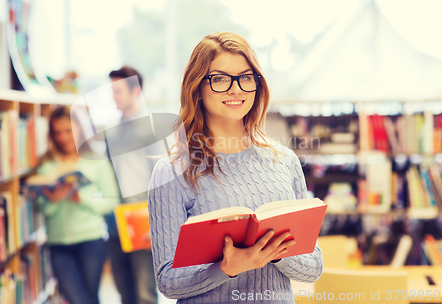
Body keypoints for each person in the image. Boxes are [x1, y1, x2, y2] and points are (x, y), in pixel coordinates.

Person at [148, 32, 323, 303]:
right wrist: (227, 268)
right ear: (197, 88)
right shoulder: (171, 171)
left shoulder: (284, 161)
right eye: (219, 79)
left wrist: (272, 252)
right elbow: (168, 281)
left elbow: (313, 267)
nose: (235, 88)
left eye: (245, 77)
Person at [35, 106, 120, 304]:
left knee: (89, 298)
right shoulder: (47, 165)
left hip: (91, 240)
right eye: (57, 132)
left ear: (80, 130)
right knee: (76, 299)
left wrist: (82, 199)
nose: (63, 137)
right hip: (58, 244)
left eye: (68, 131)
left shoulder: (96, 160)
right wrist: (54, 201)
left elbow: (111, 201)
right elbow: (41, 208)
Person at [104, 66, 158, 304]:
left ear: (135, 90)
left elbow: (162, 180)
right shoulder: (111, 132)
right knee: (123, 290)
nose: (113, 97)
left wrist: (154, 223)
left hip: (142, 221)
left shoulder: (153, 128)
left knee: (144, 292)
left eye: (118, 91)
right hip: (115, 221)